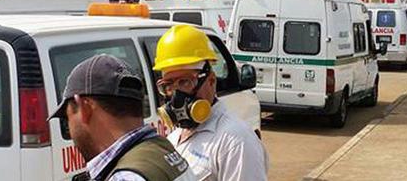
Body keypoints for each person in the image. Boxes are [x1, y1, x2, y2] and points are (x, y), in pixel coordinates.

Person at [49, 54, 194, 181]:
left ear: (85, 108)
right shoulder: (163, 149)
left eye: (67, 117)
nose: (70, 127)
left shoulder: (125, 177)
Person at [152, 25, 267, 180]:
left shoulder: (236, 141)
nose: (176, 95)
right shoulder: (175, 135)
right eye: (168, 85)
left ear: (211, 81)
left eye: (185, 82)